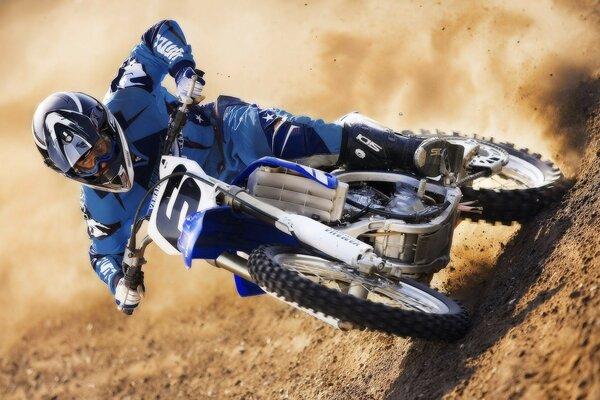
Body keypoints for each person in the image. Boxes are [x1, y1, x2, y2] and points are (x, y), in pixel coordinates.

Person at [32, 20, 460, 314]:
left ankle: (418, 153)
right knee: (265, 250)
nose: (99, 161)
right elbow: (103, 254)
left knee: (302, 139)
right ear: (70, 173)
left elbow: (156, 35)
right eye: (84, 163)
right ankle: (371, 280)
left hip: (228, 134)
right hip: (216, 199)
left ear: (104, 122)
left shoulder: (127, 95)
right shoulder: (99, 205)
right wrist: (119, 283)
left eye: (98, 145)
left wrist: (181, 69)